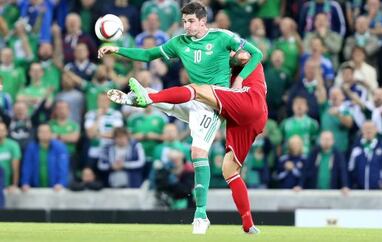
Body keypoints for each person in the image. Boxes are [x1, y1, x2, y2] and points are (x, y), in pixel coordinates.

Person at [99, 1, 262, 234]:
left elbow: (257, 54)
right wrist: (117, 50)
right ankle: (139, 98)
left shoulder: (222, 37)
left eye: (191, 21)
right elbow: (147, 55)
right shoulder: (179, 43)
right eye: (184, 21)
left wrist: (239, 80)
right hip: (191, 99)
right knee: (161, 94)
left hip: (213, 104)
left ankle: (201, 214)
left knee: (197, 151)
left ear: (203, 21)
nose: (186, 25)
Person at [348, 121, 382, 190]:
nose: (368, 130)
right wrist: (352, 185)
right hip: (359, 190)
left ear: (376, 130)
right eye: (366, 128)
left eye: (371, 128)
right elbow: (350, 168)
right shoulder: (355, 147)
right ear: (362, 130)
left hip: (378, 191)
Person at [21, 124, 69, 192]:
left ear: (51, 133)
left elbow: (63, 168)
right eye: (42, 132)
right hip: (35, 187)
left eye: (47, 132)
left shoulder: (60, 147)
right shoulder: (31, 148)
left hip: (55, 187)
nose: (44, 134)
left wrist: (61, 183)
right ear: (37, 134)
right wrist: (25, 182)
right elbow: (27, 167)